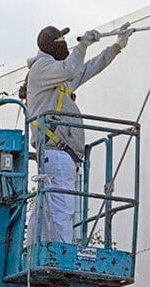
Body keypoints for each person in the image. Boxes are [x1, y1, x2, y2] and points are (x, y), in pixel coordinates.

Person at [24, 23, 133, 245]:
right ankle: (63, 254)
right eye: (61, 43)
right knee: (62, 207)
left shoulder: (58, 77)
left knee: (46, 211)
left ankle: (32, 252)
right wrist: (82, 46)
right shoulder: (42, 68)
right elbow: (71, 68)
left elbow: (88, 68)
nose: (66, 45)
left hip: (61, 154)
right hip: (57, 152)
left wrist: (117, 46)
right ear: (52, 47)